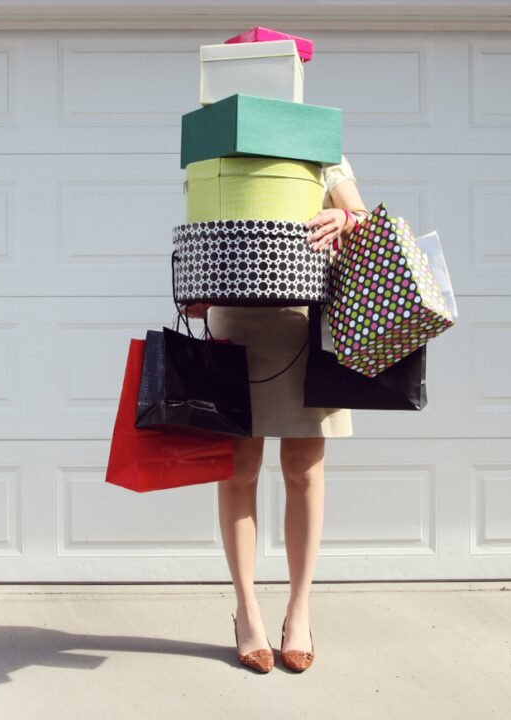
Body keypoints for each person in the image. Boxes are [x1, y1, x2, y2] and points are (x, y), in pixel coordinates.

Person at [183, 156, 369, 673]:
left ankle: (300, 610)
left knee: (304, 470)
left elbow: (361, 216)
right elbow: (203, 229)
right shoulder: (216, 152)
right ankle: (246, 612)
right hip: (237, 320)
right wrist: (198, 283)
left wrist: (346, 219)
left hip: (308, 321)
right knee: (239, 470)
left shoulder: (322, 148)